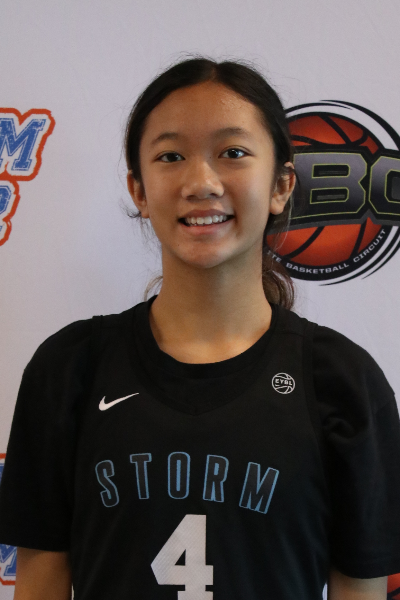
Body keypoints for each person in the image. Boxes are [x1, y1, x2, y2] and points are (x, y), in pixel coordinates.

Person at [0, 57, 399, 600]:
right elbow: (39, 585)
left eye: (232, 152)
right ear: (139, 191)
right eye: (171, 156)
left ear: (282, 185)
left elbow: (361, 591)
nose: (201, 182)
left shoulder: (344, 382)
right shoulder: (70, 368)